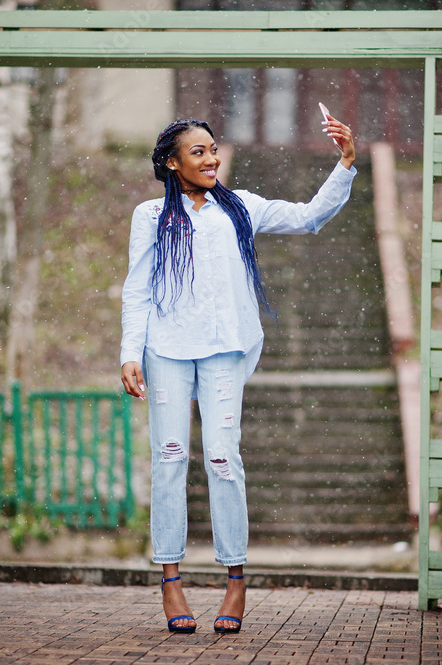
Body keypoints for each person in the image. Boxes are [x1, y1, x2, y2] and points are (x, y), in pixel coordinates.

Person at [120, 115, 356, 634]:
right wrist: (129, 353)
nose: (211, 159)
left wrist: (344, 163)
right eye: (198, 152)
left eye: (212, 150)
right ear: (171, 163)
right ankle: (171, 580)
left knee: (224, 459)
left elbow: (310, 217)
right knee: (170, 459)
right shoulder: (150, 214)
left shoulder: (241, 207)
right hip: (167, 351)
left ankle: (235, 581)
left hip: (226, 348)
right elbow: (137, 289)